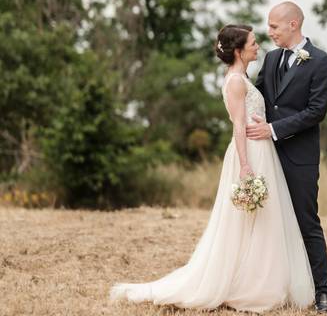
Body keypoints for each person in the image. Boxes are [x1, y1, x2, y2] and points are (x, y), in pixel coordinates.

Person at [110, 24, 314, 312]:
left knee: (263, 220)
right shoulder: (234, 82)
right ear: (240, 50)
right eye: (253, 43)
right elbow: (239, 127)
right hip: (250, 154)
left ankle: (262, 278)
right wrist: (245, 166)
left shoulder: (242, 77)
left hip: (262, 150)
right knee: (249, 220)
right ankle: (248, 284)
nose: (258, 46)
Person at [247, 1, 327, 313]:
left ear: (293, 25)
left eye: (274, 26)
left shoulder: (322, 62)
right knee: (268, 222)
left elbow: (316, 112)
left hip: (299, 156)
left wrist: (273, 129)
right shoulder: (270, 59)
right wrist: (234, 78)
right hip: (267, 155)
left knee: (306, 222)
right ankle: (274, 285)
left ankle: (322, 291)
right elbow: (256, 96)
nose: (269, 32)